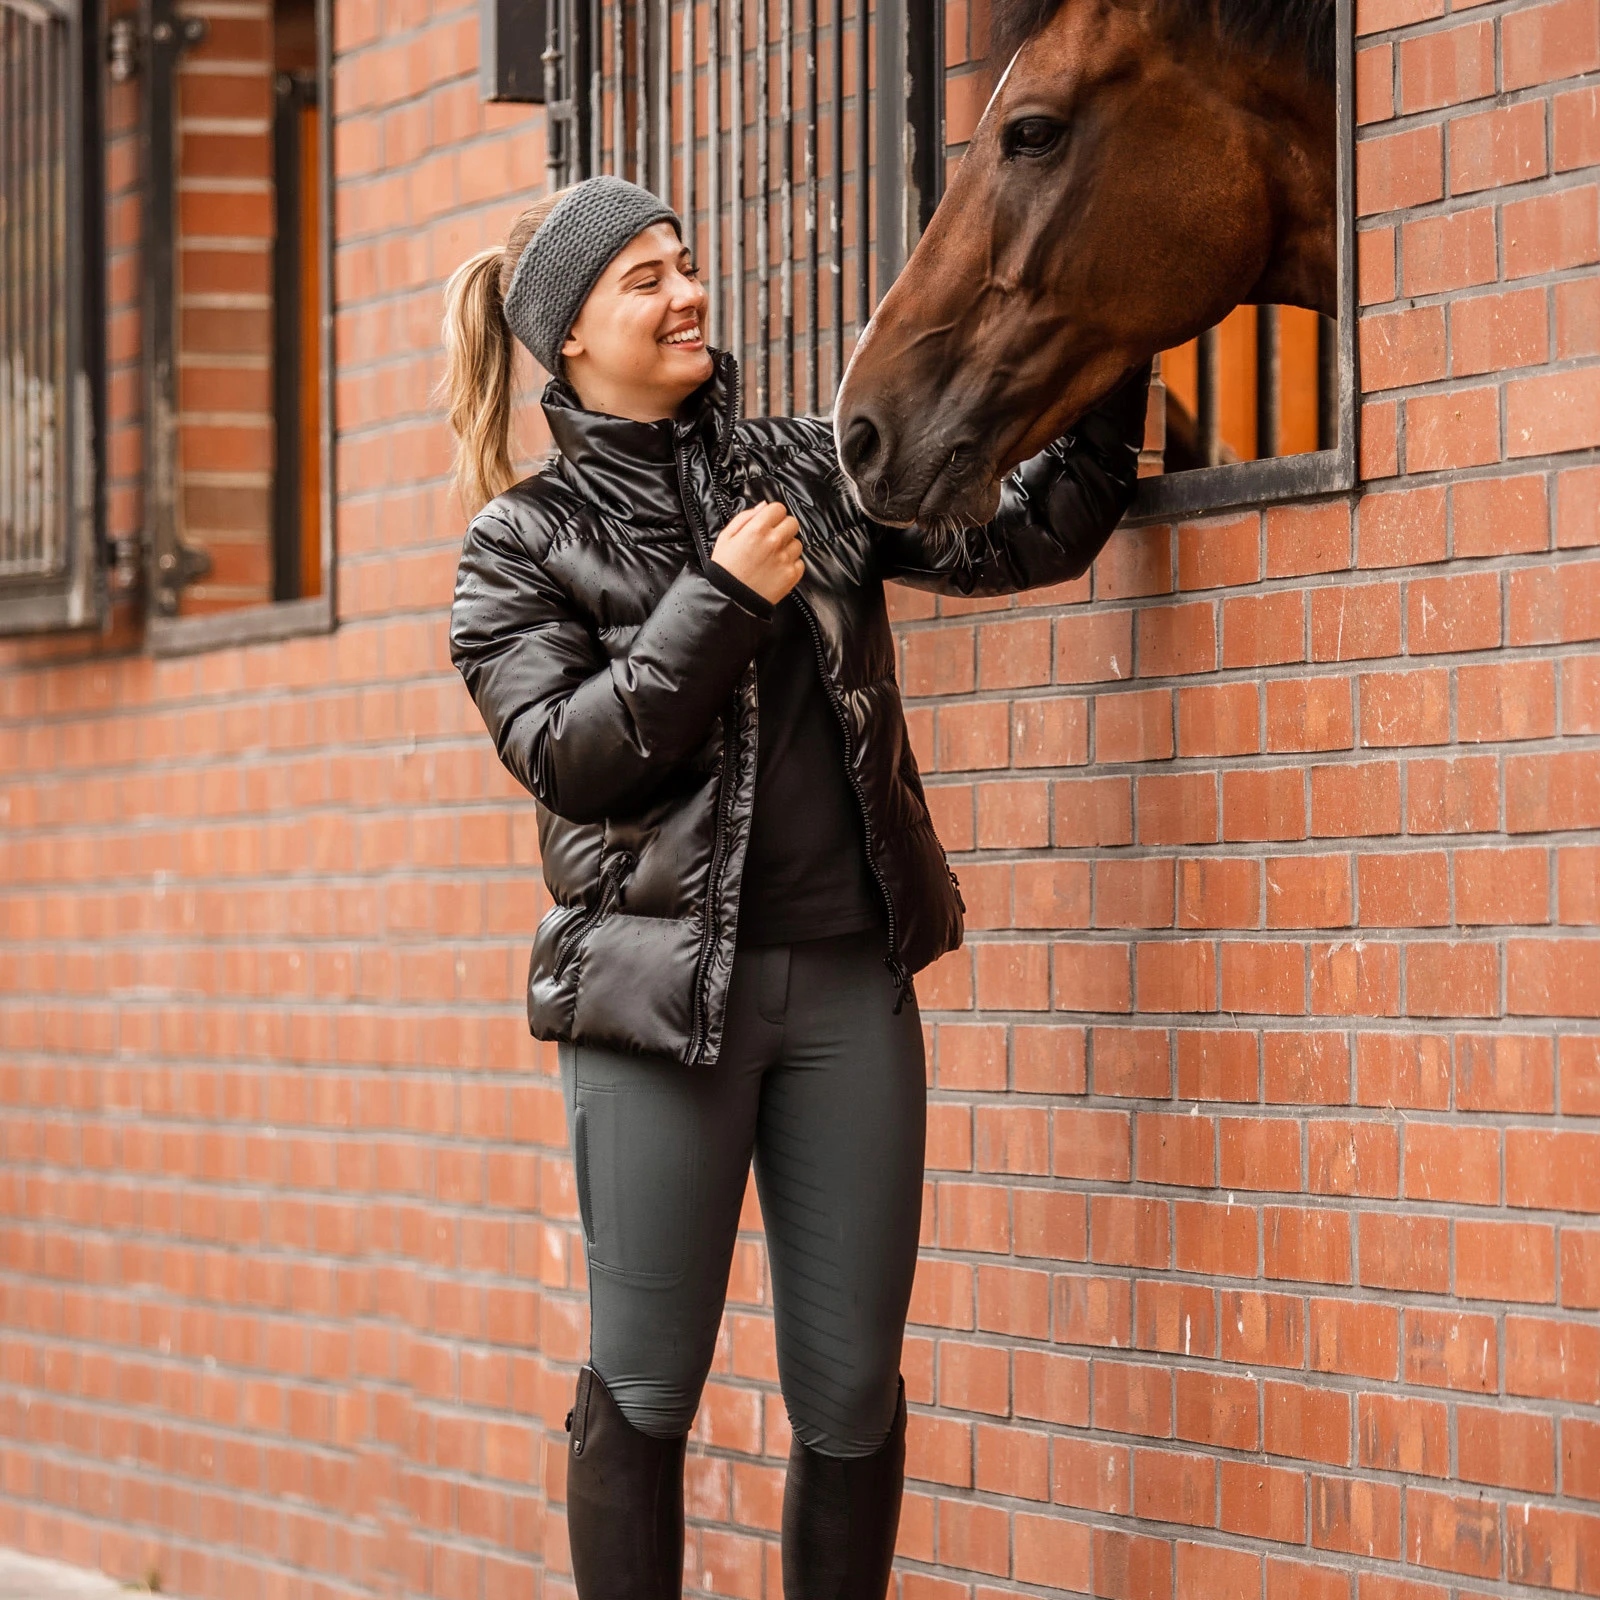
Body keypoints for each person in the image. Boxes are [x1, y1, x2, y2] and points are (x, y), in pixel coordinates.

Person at [442, 174, 1151, 1598]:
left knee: (851, 1394)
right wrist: (718, 598)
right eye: (646, 277)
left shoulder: (812, 470)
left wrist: (1122, 338)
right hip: (658, 1017)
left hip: (848, 994)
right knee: (646, 1384)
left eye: (684, 261)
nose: (687, 292)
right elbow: (573, 757)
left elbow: (1025, 532)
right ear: (568, 334)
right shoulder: (517, 544)